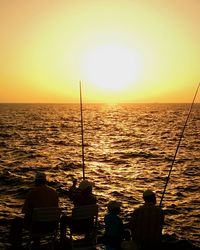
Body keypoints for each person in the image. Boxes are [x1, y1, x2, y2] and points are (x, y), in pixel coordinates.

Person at [9, 171, 59, 249]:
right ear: (45, 181)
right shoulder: (54, 192)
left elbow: (26, 212)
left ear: (36, 181)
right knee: (37, 219)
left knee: (17, 221)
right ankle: (37, 243)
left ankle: (16, 246)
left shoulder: (32, 193)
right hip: (51, 226)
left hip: (37, 227)